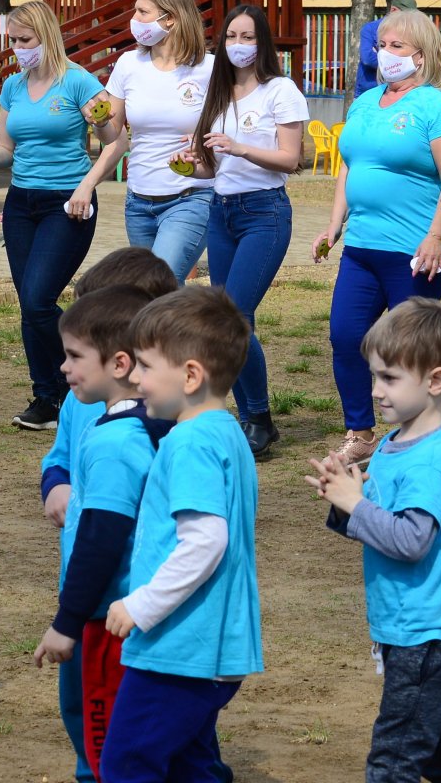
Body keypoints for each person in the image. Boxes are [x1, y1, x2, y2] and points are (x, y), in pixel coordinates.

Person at [308, 299, 441, 783]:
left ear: (435, 381)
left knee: (394, 762)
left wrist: (355, 504)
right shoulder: (391, 443)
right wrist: (344, 498)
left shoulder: (430, 463)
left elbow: (410, 542)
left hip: (425, 637)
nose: (376, 391)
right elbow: (379, 524)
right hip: (411, 630)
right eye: (374, 376)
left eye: (389, 378)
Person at [102, 288, 262, 782]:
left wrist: (141, 605)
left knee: (127, 764)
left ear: (191, 375)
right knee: (193, 767)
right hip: (209, 647)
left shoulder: (190, 442)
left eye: (147, 367)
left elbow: (206, 541)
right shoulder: (227, 431)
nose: (135, 378)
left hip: (180, 649)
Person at [41, 249, 179, 783]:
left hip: (107, 609)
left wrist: (67, 620)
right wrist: (57, 484)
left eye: (76, 354)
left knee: (115, 731)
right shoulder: (85, 401)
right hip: (93, 597)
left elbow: (104, 534)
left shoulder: (132, 434)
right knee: (91, 715)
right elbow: (58, 460)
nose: (64, 367)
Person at [316, 8, 441, 469]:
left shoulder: (435, 107)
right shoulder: (365, 102)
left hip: (414, 253)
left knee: (407, 352)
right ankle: (360, 434)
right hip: (361, 248)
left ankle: (416, 437)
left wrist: (437, 236)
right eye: (382, 45)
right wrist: (334, 223)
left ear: (422, 55)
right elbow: (349, 166)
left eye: (397, 46)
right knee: (346, 337)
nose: (386, 54)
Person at [185, 4, 307, 459]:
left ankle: (257, 418)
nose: (239, 46)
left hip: (265, 213)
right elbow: (210, 163)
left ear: (264, 43)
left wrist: (239, 147)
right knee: (230, 321)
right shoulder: (216, 94)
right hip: (222, 211)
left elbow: (290, 158)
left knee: (234, 315)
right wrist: (191, 163)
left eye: (248, 37)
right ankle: (253, 418)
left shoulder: (281, 90)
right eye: (231, 36)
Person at [0, 0, 118, 432]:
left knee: (37, 298)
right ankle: (48, 396)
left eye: (24, 40)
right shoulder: (12, 86)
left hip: (67, 202)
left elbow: (115, 139)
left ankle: (91, 367)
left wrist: (100, 125)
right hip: (20, 204)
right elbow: (4, 151)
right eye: (12, 41)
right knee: (30, 306)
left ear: (46, 36)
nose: (18, 48)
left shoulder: (79, 81)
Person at [104, 0, 216, 281]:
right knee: (146, 296)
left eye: (142, 12)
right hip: (138, 201)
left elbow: (232, 124)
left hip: (191, 198)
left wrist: (207, 139)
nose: (134, 19)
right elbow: (111, 133)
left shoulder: (210, 68)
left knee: (158, 286)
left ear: (171, 18)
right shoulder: (128, 64)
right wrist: (99, 120)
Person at [356, 0, 418, 96]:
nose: (409, 19)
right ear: (393, 10)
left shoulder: (410, 32)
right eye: (405, 14)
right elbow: (367, 59)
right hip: (369, 91)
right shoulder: (371, 29)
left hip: (398, 92)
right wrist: (400, 63)